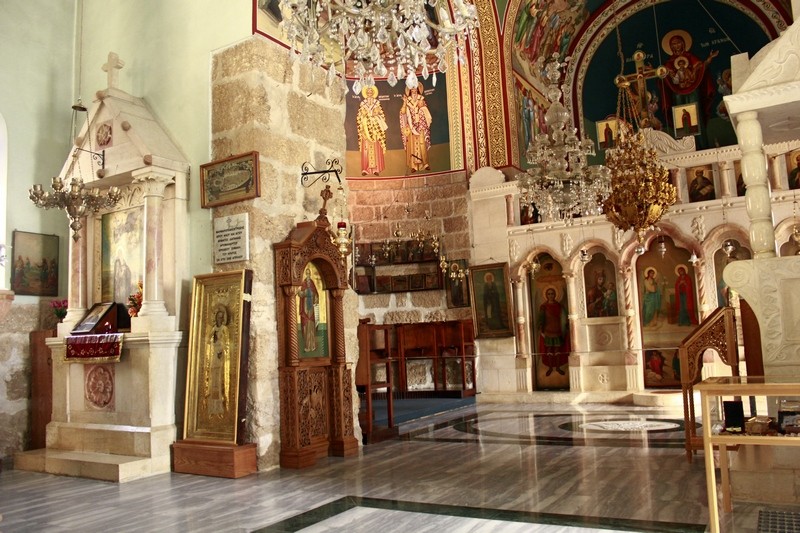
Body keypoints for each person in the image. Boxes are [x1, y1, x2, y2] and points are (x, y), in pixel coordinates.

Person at [356, 85, 388, 176]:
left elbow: (382, 116)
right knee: (366, 148)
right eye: (368, 92)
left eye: (371, 91)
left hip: (375, 130)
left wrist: (376, 116)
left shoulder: (377, 103)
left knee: (376, 148)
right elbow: (359, 117)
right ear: (366, 93)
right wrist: (364, 118)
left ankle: (376, 169)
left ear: (373, 93)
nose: (369, 93)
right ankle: (365, 169)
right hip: (365, 128)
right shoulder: (363, 104)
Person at [399, 85, 432, 173]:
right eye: (412, 89)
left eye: (415, 89)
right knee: (412, 144)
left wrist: (421, 109)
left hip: (421, 125)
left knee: (422, 143)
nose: (414, 91)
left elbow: (426, 111)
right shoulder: (408, 100)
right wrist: (404, 103)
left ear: (418, 89)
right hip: (411, 126)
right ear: (410, 90)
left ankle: (425, 163)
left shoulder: (421, 98)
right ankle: (414, 166)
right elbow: (403, 112)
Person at [537, 287, 569, 376]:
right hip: (548, 331)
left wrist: (566, 326)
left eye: (552, 294)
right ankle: (550, 368)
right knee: (549, 350)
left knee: (558, 350)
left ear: (555, 295)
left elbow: (564, 318)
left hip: (557, 331)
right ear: (546, 295)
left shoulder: (559, 306)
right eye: (549, 294)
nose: (551, 295)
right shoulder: (543, 307)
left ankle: (558, 368)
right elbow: (540, 319)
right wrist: (541, 329)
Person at [206, 307, 231, 416]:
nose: (219, 319)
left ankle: (220, 407)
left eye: (221, 317)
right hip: (214, 356)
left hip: (221, 356)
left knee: (219, 380)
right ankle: (212, 408)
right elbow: (208, 341)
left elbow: (227, 343)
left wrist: (222, 350)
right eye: (217, 317)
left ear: (223, 319)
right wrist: (213, 340)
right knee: (213, 381)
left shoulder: (224, 329)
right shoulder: (213, 329)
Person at [299, 268, 319, 352]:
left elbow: (316, 294)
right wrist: (304, 293)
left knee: (311, 323)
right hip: (305, 306)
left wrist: (314, 295)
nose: (307, 275)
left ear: (310, 274)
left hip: (311, 307)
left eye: (308, 274)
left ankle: (313, 345)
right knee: (306, 324)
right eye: (306, 273)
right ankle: (307, 346)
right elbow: (300, 293)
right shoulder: (303, 283)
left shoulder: (312, 283)